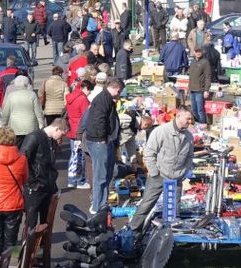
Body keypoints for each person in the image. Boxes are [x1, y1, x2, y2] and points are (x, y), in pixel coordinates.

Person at [128, 110, 194, 230]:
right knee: (146, 204)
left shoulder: (188, 136)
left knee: (174, 208)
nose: (190, 122)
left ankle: (172, 234)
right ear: (178, 116)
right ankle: (134, 229)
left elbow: (189, 156)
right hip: (159, 175)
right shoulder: (161, 131)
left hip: (176, 176)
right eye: (187, 119)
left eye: (190, 119)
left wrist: (184, 171)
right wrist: (154, 172)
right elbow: (149, 153)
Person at [0, 127, 27, 257]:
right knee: (12, 241)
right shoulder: (22, 159)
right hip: (13, 204)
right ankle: (12, 263)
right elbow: (24, 179)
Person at [19, 118, 68, 231]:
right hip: (35, 187)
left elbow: (49, 163)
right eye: (61, 134)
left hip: (47, 186)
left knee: (46, 221)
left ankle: (41, 246)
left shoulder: (50, 140)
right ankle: (29, 246)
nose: (61, 138)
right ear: (57, 129)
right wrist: (31, 182)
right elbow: (23, 159)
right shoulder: (34, 137)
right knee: (31, 221)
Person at [83, 78, 122, 214]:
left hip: (105, 141)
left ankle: (102, 204)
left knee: (106, 174)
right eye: (120, 92)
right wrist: (101, 139)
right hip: (99, 142)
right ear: (117, 89)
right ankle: (97, 206)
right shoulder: (103, 100)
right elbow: (99, 120)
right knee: (100, 175)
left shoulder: (107, 99)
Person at [1, 76, 45, 146]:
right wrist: (41, 125)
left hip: (15, 128)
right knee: (30, 149)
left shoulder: (11, 96)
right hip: (31, 127)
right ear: (27, 84)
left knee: (17, 149)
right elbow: (38, 112)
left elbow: (5, 113)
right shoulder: (32, 94)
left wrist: (3, 125)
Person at [65, 80, 92, 189]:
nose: (89, 92)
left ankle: (71, 180)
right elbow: (87, 116)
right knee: (81, 156)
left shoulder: (70, 97)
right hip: (80, 131)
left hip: (72, 129)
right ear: (85, 88)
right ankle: (80, 180)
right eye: (89, 90)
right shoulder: (83, 99)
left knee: (74, 155)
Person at [187, 47, 212, 126]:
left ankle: (203, 125)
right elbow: (190, 75)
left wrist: (206, 90)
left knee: (200, 110)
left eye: (199, 51)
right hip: (192, 89)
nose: (198, 53)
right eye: (196, 51)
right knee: (194, 110)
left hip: (200, 90)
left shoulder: (205, 62)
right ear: (194, 52)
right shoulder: (193, 61)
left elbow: (208, 77)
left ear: (202, 52)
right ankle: (197, 126)